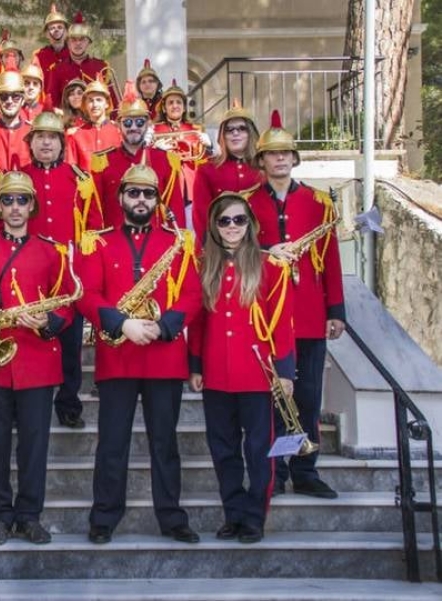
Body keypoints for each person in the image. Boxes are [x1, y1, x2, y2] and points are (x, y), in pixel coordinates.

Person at [77, 162, 202, 546]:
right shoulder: (96, 241)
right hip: (119, 355)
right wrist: (122, 324)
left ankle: (172, 517)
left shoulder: (179, 241)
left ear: (157, 199)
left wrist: (165, 326)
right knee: (112, 442)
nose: (141, 200)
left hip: (164, 356)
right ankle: (104, 516)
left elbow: (193, 293)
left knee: (164, 442)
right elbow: (87, 294)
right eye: (133, 192)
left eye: (148, 194)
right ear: (120, 198)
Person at [0, 169, 75, 546]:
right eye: (7, 200)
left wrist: (49, 321)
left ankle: (29, 515)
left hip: (38, 359)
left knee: (35, 445)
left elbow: (69, 301)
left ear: (32, 206)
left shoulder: (51, 250)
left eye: (22, 200)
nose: (14, 208)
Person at [247, 110, 345, 499]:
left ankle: (305, 470)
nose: (281, 159)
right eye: (273, 154)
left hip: (308, 314)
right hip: (267, 316)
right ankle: (276, 472)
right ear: (262, 161)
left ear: (294, 158)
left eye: (286, 153)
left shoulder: (319, 202)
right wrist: (269, 250)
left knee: (307, 398)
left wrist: (336, 310)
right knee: (271, 400)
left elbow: (332, 259)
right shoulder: (247, 203)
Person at [189, 193, 295, 544]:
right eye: (224, 221)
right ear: (214, 226)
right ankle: (233, 514)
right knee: (223, 449)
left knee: (258, 451)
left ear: (250, 225)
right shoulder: (204, 266)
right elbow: (199, 323)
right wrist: (196, 365)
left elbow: (282, 323)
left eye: (239, 220)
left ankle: (254, 517)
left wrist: (284, 370)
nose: (232, 227)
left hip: (258, 374)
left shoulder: (270, 266)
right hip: (217, 374)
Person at [21, 111, 101, 429]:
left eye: (52, 137)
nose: (45, 142)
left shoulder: (80, 179)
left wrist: (85, 271)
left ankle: (68, 403)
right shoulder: (20, 178)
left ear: (61, 143)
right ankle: (22, 405)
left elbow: (93, 229)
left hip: (69, 274)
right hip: (29, 271)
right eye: (39, 137)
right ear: (31, 143)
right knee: (28, 339)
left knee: (69, 344)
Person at [91, 81, 185, 230]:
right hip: (115, 246)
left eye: (139, 122)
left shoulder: (166, 160)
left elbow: (175, 209)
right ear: (118, 125)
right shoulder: (103, 162)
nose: (133, 127)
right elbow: (95, 211)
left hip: (155, 246)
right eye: (127, 122)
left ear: (148, 124)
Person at [191, 100, 264, 241]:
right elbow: (201, 215)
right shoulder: (207, 170)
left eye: (242, 128)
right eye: (229, 130)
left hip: (260, 246)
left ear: (251, 133)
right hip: (220, 245)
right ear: (222, 136)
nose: (235, 133)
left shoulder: (264, 168)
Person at [151, 79, 211, 211]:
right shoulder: (153, 130)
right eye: (170, 103)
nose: (175, 106)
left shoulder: (196, 129)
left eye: (178, 102)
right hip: (164, 187)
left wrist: (209, 146)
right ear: (164, 108)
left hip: (190, 187)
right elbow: (145, 161)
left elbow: (205, 163)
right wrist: (156, 150)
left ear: (184, 108)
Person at [47, 12, 118, 109]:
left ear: (89, 42)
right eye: (73, 40)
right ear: (67, 42)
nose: (78, 43)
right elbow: (52, 103)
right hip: (69, 122)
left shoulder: (101, 66)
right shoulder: (57, 69)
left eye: (82, 39)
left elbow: (112, 102)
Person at [65, 77, 122, 173]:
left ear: (107, 104)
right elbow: (71, 168)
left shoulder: (119, 131)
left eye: (99, 100)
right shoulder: (76, 135)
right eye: (90, 101)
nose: (95, 104)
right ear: (85, 105)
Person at [33, 3, 70, 88]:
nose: (56, 30)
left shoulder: (74, 55)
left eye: (60, 27)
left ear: (66, 32)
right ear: (46, 33)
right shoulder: (38, 56)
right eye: (52, 28)